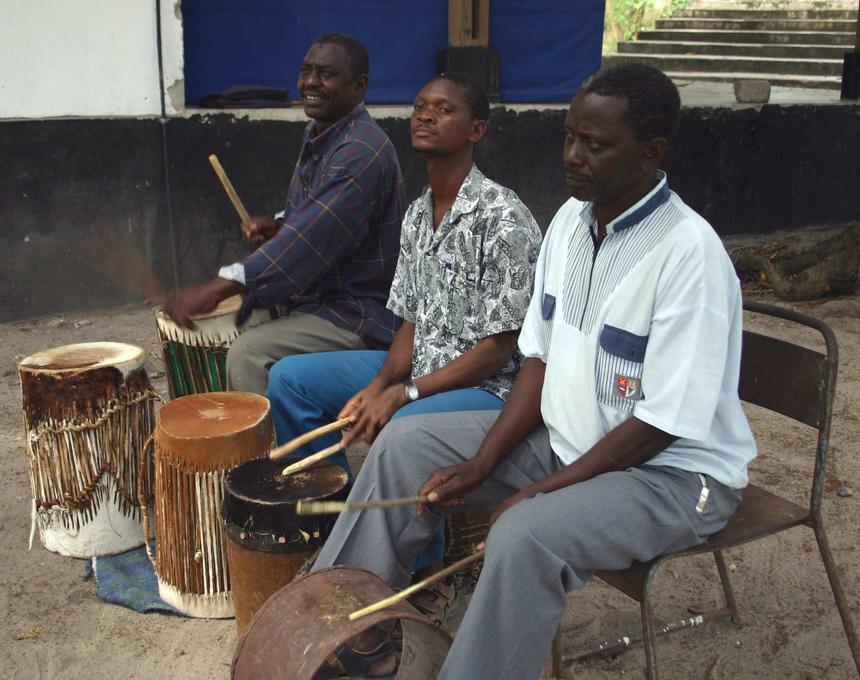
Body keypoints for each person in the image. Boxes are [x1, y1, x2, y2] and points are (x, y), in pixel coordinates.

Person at [311, 63, 757, 680]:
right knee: (406, 442)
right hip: (571, 448)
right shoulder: (571, 224)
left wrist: (538, 491)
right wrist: (484, 462)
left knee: (525, 533)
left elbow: (661, 425)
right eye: (570, 136)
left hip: (672, 479)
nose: (574, 156)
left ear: (651, 153)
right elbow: (537, 359)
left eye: (596, 145)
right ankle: (347, 630)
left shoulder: (690, 254)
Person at [267, 73, 541, 477]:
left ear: (476, 130)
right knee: (289, 379)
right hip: (421, 368)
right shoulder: (416, 214)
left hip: (488, 389)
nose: (425, 116)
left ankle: (411, 538)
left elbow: (498, 352)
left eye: (444, 110)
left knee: (401, 427)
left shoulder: (504, 218)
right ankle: (330, 502)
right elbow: (411, 322)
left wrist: (405, 393)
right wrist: (379, 386)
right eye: (420, 107)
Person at [163, 34, 405, 396]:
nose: (310, 82)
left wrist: (220, 287)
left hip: (356, 313)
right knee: (243, 327)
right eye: (306, 71)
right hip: (320, 301)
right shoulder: (323, 134)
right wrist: (279, 226)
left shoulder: (360, 151)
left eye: (326, 74)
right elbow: (314, 218)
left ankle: (270, 453)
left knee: (248, 353)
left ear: (360, 86)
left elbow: (313, 237)